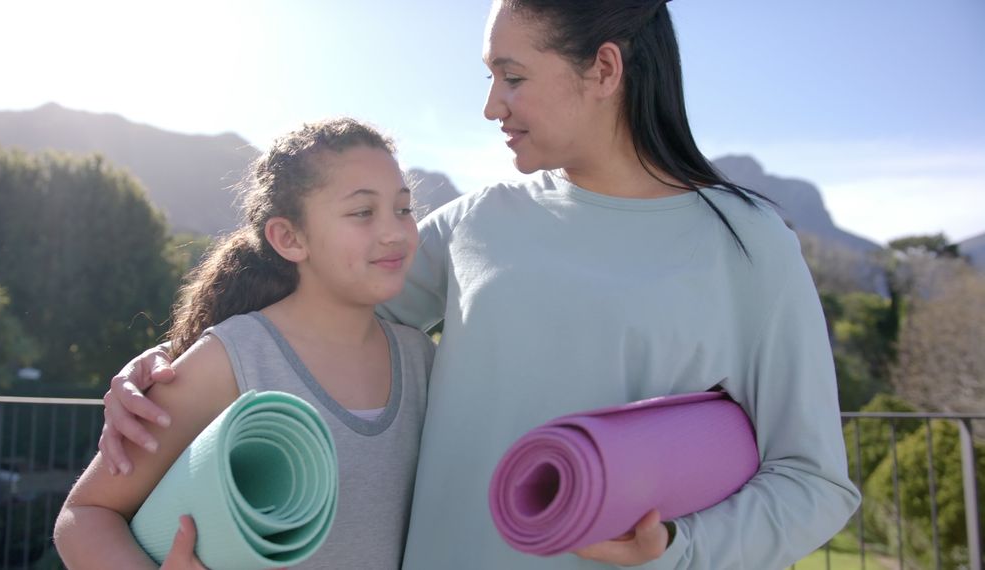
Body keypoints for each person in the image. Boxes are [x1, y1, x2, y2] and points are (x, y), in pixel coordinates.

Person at [97, 0, 862, 567]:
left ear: (603, 69)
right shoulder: (482, 220)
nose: (491, 105)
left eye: (513, 76)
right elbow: (317, 307)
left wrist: (681, 548)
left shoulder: (749, 244)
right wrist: (172, 364)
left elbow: (814, 482)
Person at [53, 118, 435, 569]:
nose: (394, 231)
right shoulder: (231, 358)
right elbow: (84, 515)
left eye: (403, 209)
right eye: (363, 212)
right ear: (289, 238)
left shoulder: (423, 360)